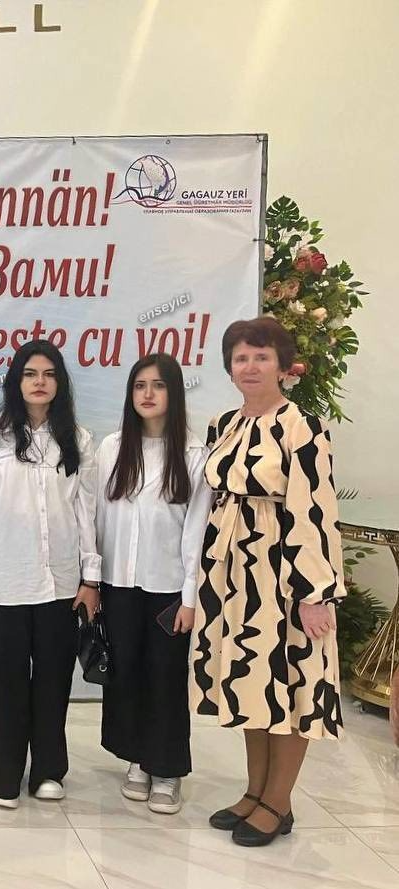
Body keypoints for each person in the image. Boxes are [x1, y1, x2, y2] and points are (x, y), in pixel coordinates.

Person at [193, 317, 345, 847]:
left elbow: (315, 510)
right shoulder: (223, 424)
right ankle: (255, 792)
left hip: (283, 575)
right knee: (251, 683)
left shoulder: (303, 427)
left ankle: (279, 802)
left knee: (292, 686)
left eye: (261, 356)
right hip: (235, 575)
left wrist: (314, 592)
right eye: (241, 357)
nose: (250, 366)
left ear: (283, 366)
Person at [0, 340, 101, 808]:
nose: (39, 382)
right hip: (1, 581)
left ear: (60, 383)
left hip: (60, 583)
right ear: (16, 381)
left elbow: (86, 513)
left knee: (52, 682)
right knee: (3, 684)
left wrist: (91, 578)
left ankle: (48, 770)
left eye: (49, 374)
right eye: (30, 374)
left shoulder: (78, 439)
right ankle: (4, 775)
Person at [95, 353, 212, 815]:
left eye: (158, 385)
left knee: (165, 676)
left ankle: (166, 770)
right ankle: (137, 760)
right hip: (118, 583)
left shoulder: (194, 454)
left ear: (174, 393)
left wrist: (190, 595)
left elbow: (196, 531)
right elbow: (98, 518)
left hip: (168, 589)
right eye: (139, 385)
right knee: (125, 673)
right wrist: (93, 579)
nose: (147, 394)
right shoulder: (112, 448)